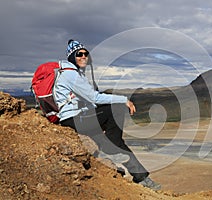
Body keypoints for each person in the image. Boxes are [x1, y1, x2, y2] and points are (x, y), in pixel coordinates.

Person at [54, 39, 161, 190]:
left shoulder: (74, 73)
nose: (84, 57)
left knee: (116, 139)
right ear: (72, 57)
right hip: (73, 120)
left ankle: (141, 177)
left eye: (86, 54)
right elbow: (94, 98)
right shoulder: (71, 75)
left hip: (80, 118)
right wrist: (124, 100)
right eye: (79, 54)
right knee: (115, 108)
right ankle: (113, 146)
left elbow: (90, 101)